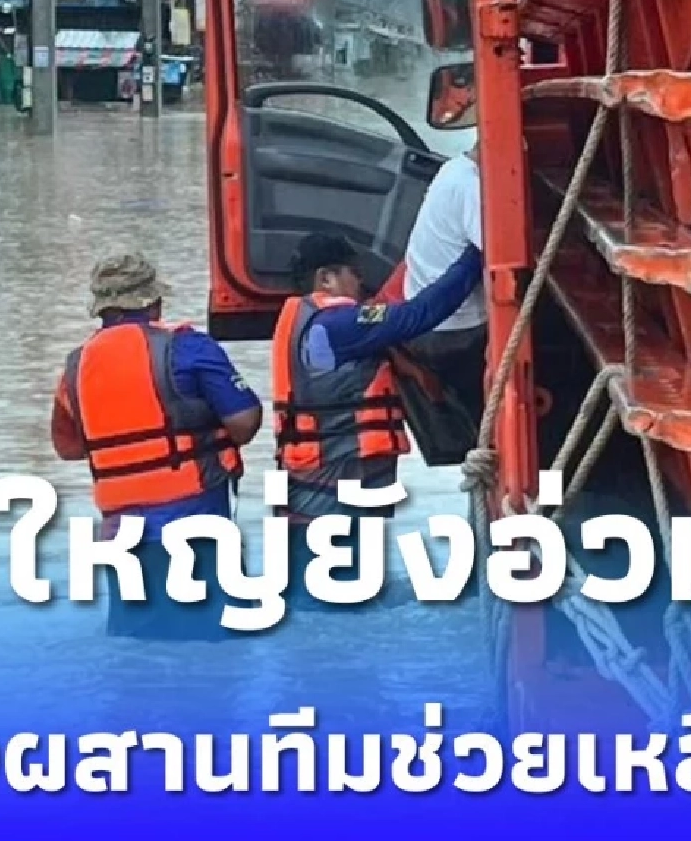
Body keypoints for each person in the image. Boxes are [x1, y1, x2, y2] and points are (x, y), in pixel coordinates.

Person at [52, 252, 262, 640]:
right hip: (194, 523)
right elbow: (245, 423)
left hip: (119, 535)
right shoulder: (187, 347)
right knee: (213, 645)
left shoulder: (75, 366)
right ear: (153, 302)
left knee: (137, 650)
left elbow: (67, 447)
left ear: (101, 309)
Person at [272, 231, 482, 535]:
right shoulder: (338, 326)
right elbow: (420, 314)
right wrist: (475, 255)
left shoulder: (310, 323)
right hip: (334, 482)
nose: (361, 283)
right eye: (354, 273)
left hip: (319, 479)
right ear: (326, 278)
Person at [402, 143, 488, 431]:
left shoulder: (452, 169)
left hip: (424, 325)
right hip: (455, 332)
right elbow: (502, 258)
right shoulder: (472, 188)